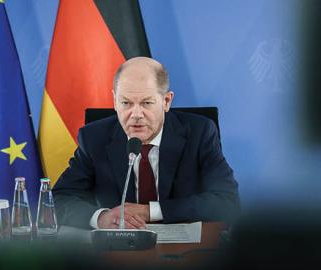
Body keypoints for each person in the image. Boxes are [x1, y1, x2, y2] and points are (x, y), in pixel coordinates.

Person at [52, 57, 240, 229]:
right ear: (115, 101)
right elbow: (59, 199)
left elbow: (227, 202)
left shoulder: (199, 133)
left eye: (146, 103)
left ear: (166, 101)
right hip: (118, 254)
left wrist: (149, 211)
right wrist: (101, 218)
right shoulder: (94, 138)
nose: (135, 115)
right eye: (126, 103)